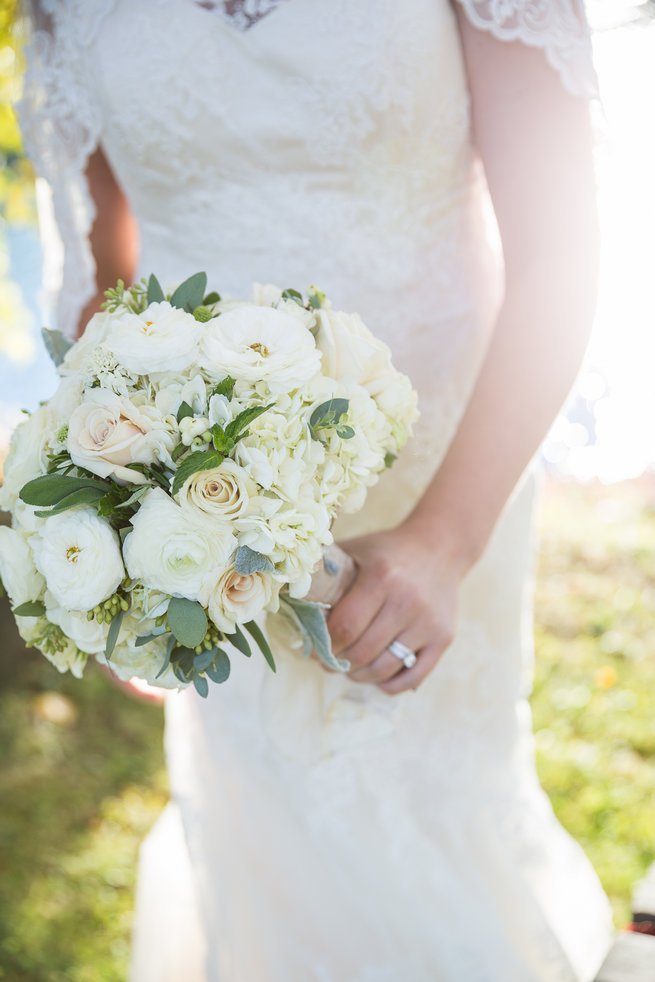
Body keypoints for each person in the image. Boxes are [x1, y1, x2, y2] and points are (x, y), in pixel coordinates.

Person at [18, 1, 615, 979]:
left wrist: (445, 540)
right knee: (266, 814)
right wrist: (115, 541)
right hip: (194, 499)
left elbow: (561, 254)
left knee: (430, 808)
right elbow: (104, 276)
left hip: (441, 463)